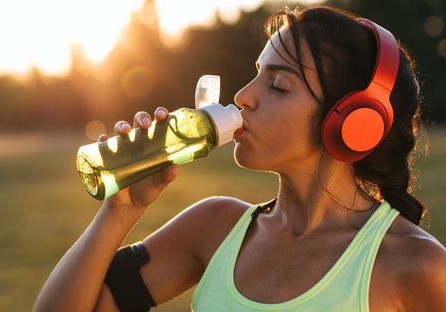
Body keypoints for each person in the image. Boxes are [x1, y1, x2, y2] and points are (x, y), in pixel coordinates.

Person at [34, 5, 446, 312]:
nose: (243, 97)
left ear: (354, 123)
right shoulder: (213, 228)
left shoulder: (417, 266)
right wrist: (120, 210)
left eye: (278, 86)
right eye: (256, 75)